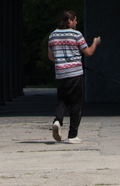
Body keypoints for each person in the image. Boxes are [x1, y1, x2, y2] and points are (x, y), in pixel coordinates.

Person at [47, 9, 100, 144]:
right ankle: (72, 135)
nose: (76, 23)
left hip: (60, 74)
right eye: (75, 20)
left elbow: (51, 57)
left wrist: (62, 59)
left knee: (62, 101)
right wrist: (95, 43)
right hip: (75, 74)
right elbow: (88, 52)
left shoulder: (52, 35)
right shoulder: (76, 34)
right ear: (69, 21)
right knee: (76, 104)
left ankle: (58, 121)